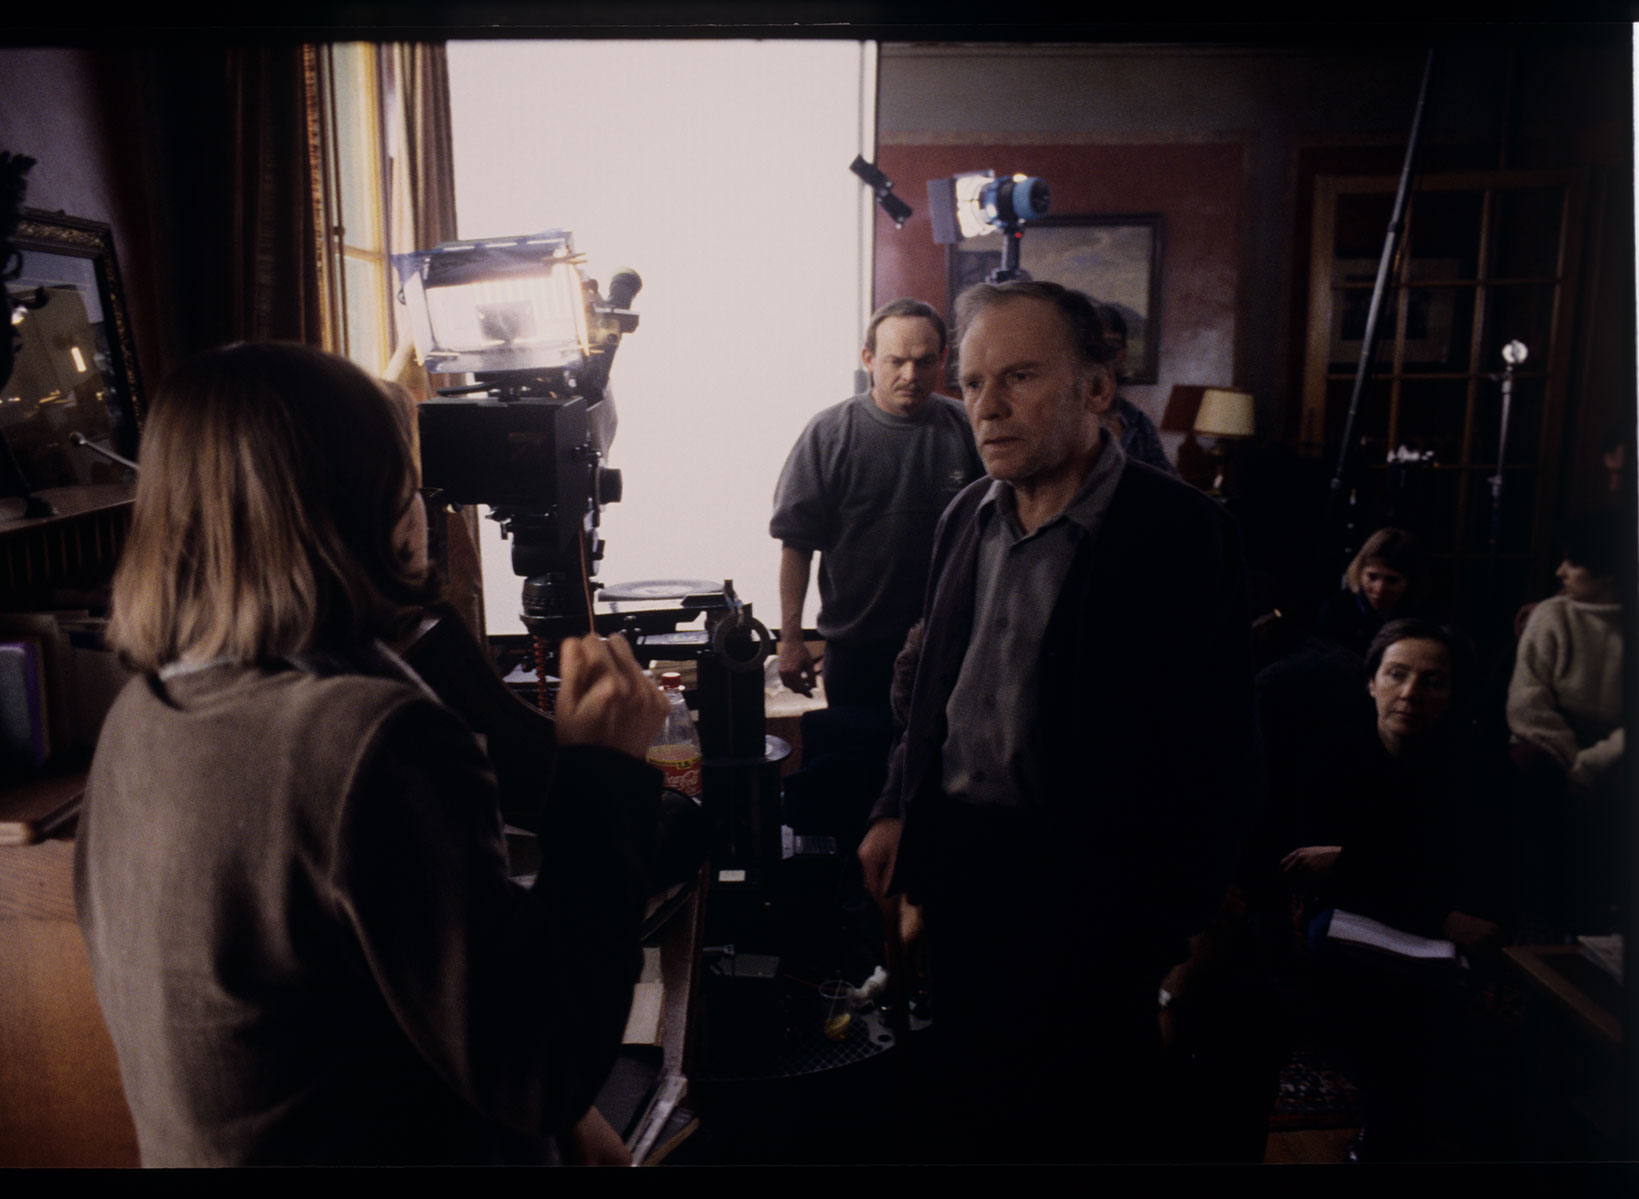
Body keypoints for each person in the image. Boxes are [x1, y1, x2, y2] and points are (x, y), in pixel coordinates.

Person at [74, 342, 668, 1166]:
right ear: (377, 511)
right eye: (409, 482)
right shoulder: (369, 738)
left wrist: (566, 1121)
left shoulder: (140, 713)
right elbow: (543, 1068)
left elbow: (361, 989)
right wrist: (603, 770)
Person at [857, 280, 1256, 1161]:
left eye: (1020, 377)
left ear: (1097, 388)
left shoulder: (1182, 533)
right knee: (968, 1117)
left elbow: (1217, 758)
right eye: (972, 383)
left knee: (1082, 1133)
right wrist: (894, 808)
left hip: (1094, 909)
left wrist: (1160, 939)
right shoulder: (964, 515)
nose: (986, 406)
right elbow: (932, 696)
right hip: (961, 877)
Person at [1280, 619, 1509, 1161]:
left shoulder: (1478, 765)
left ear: (1453, 693)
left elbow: (1468, 873)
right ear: (1371, 682)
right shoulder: (1332, 752)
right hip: (1356, 924)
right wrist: (1422, 900)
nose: (1410, 693)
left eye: (1433, 681)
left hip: (1441, 930)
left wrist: (1350, 862)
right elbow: (1307, 865)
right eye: (1397, 674)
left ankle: (1403, 1127)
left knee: (1425, 1002)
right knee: (1355, 974)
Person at [771, 298, 984, 707]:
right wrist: (791, 640)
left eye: (924, 361)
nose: (910, 375)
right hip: (857, 652)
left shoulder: (969, 427)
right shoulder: (828, 434)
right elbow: (796, 545)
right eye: (896, 361)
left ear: (942, 359)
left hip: (952, 647)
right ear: (868, 359)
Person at [1507, 509, 1627, 932]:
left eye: (1572, 563)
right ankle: (1534, 919)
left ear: (1608, 572)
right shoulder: (1552, 615)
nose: (1560, 572)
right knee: (1529, 773)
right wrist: (1572, 761)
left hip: (1615, 751)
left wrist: (1590, 767)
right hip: (1551, 743)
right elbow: (1527, 703)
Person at [1315, 526, 1425, 659]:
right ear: (1360, 572)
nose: (1379, 589)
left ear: (1411, 581)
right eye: (1372, 577)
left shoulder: (1421, 616)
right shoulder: (1335, 610)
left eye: (1392, 580)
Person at [1095, 301, 1177, 476]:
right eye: (1100, 345)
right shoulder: (1065, 417)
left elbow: (1167, 478)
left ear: (1124, 353)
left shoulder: (1137, 422)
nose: (1107, 353)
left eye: (1113, 345)